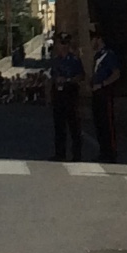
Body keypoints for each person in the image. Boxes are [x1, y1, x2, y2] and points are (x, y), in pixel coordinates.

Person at [47, 31, 84, 163]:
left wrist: (68, 79)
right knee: (59, 126)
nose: (63, 47)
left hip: (70, 94)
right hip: (58, 94)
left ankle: (76, 155)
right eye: (61, 44)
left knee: (74, 126)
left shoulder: (74, 60)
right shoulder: (56, 61)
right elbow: (51, 77)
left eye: (65, 44)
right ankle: (60, 153)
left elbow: (80, 76)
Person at [87, 34, 123, 165]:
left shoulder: (109, 55)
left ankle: (111, 152)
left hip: (105, 92)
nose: (92, 42)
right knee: (99, 123)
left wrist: (102, 84)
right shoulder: (97, 56)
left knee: (107, 123)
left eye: (94, 39)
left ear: (100, 40)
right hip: (96, 92)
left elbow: (116, 74)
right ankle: (103, 151)